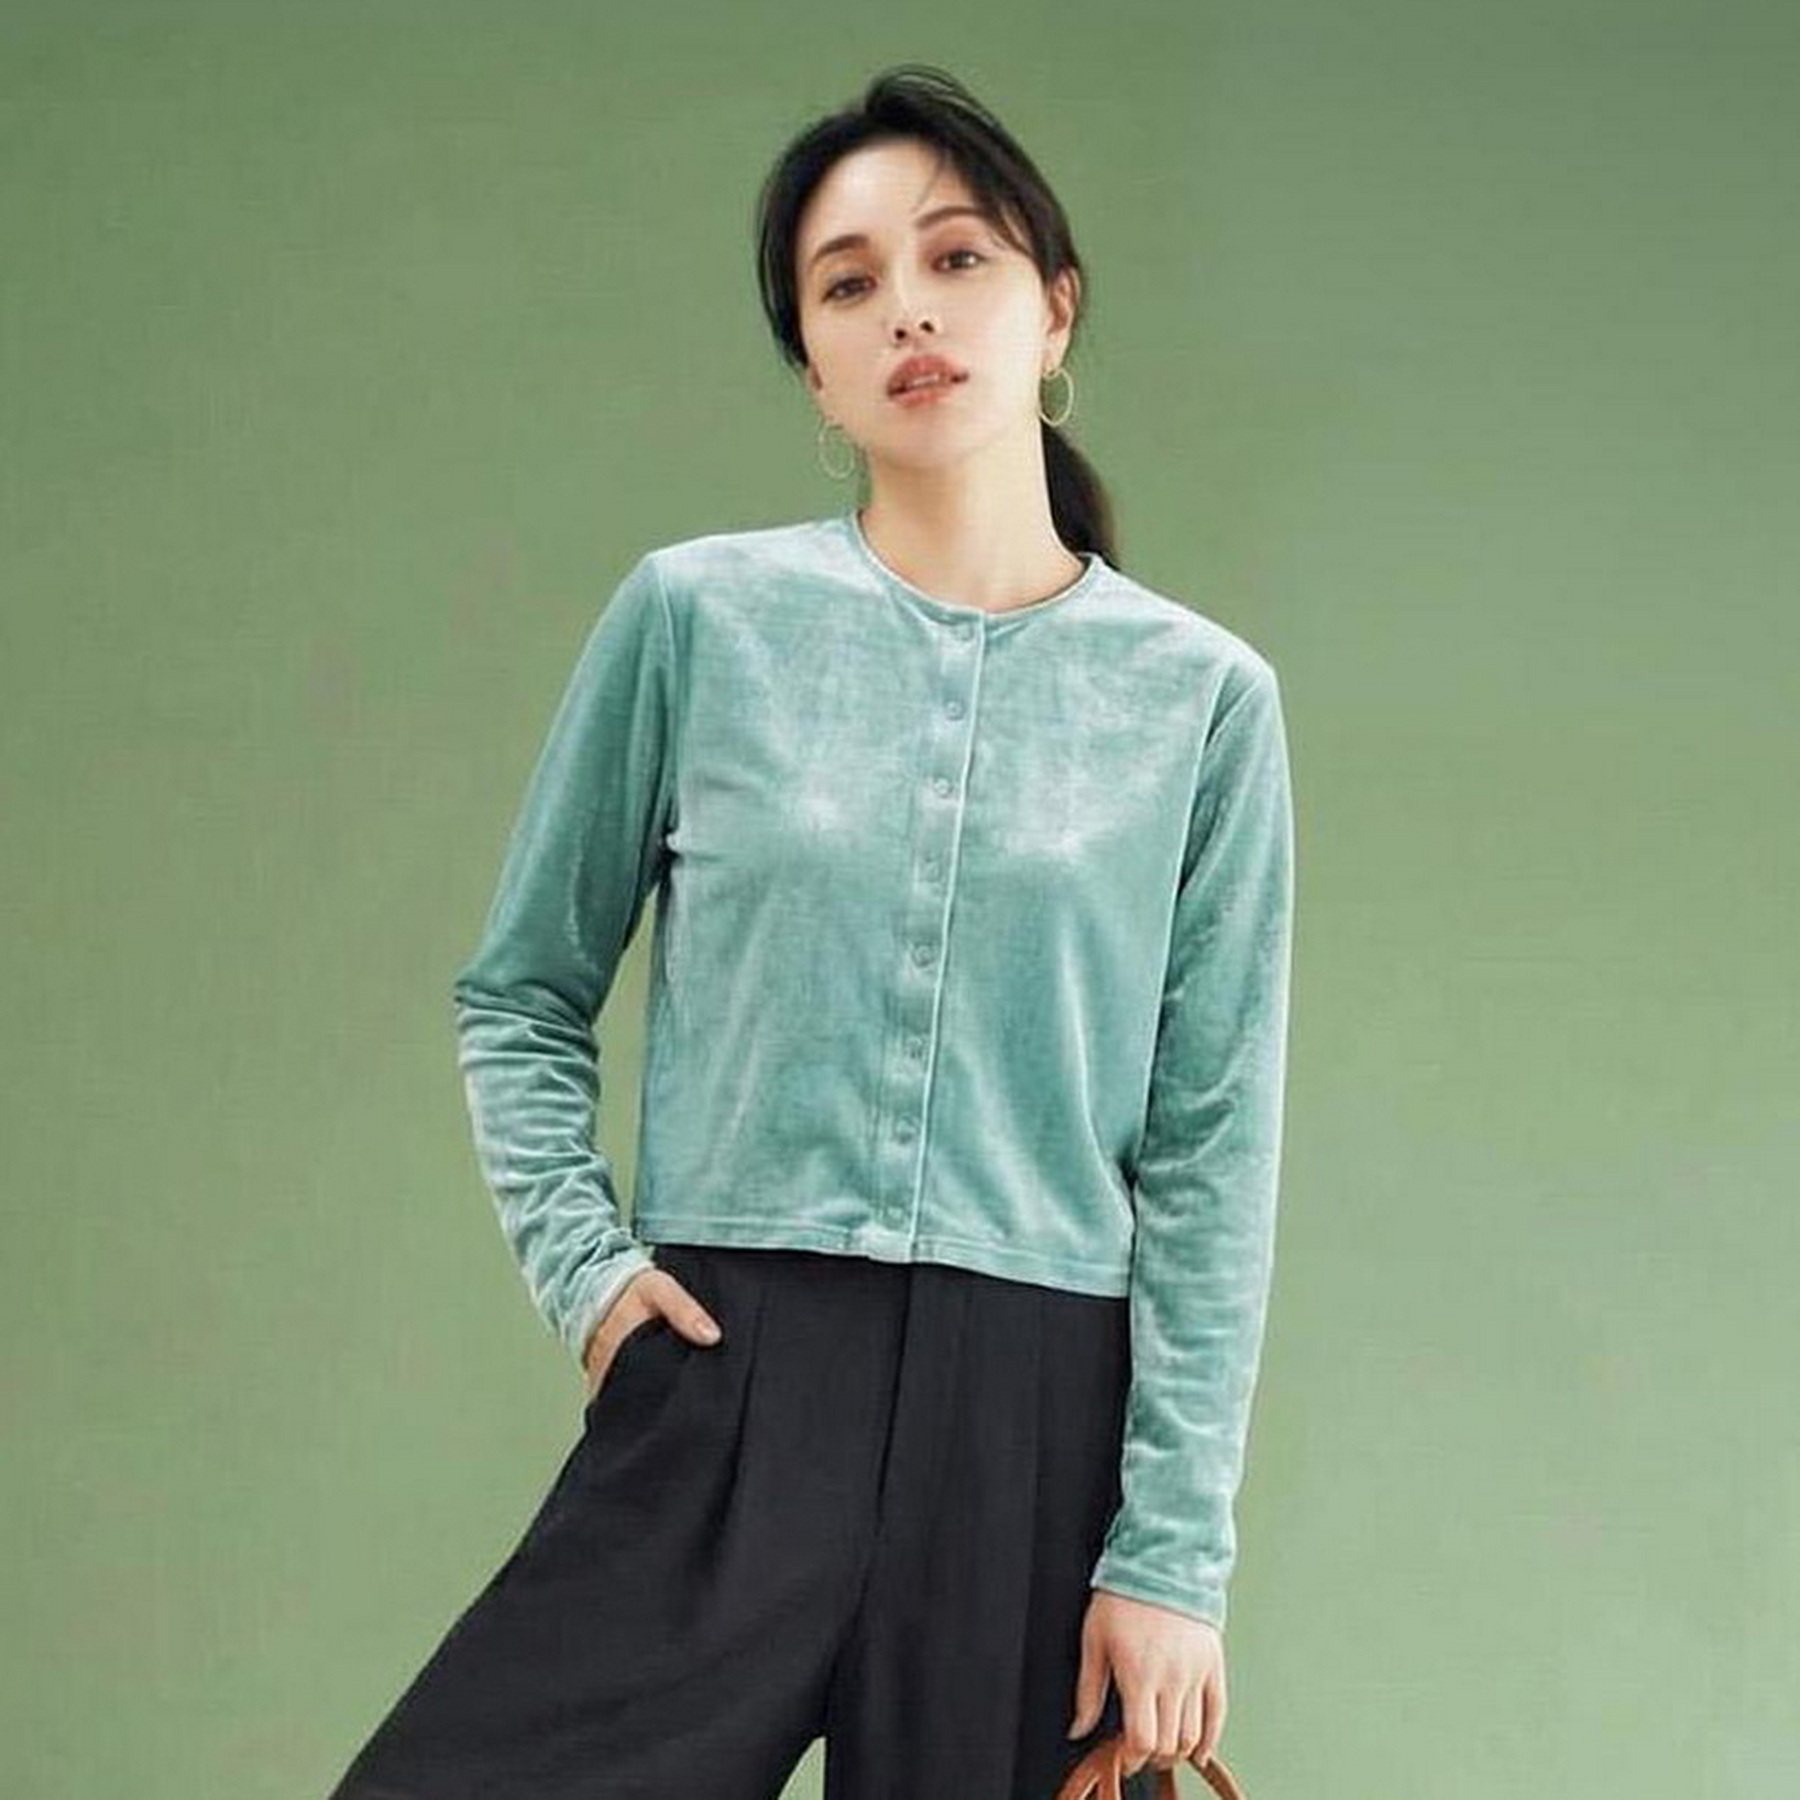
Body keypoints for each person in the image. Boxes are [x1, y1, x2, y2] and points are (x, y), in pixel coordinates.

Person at [328, 62, 1295, 1800]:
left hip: (1036, 1424)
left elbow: (1214, 1150)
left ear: (1056, 310)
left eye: (958, 258)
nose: (907, 308)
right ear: (817, 374)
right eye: (849, 285)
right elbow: (522, 993)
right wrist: (590, 1276)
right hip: (731, 1377)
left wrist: (1173, 1558)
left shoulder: (1206, 703)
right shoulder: (697, 620)